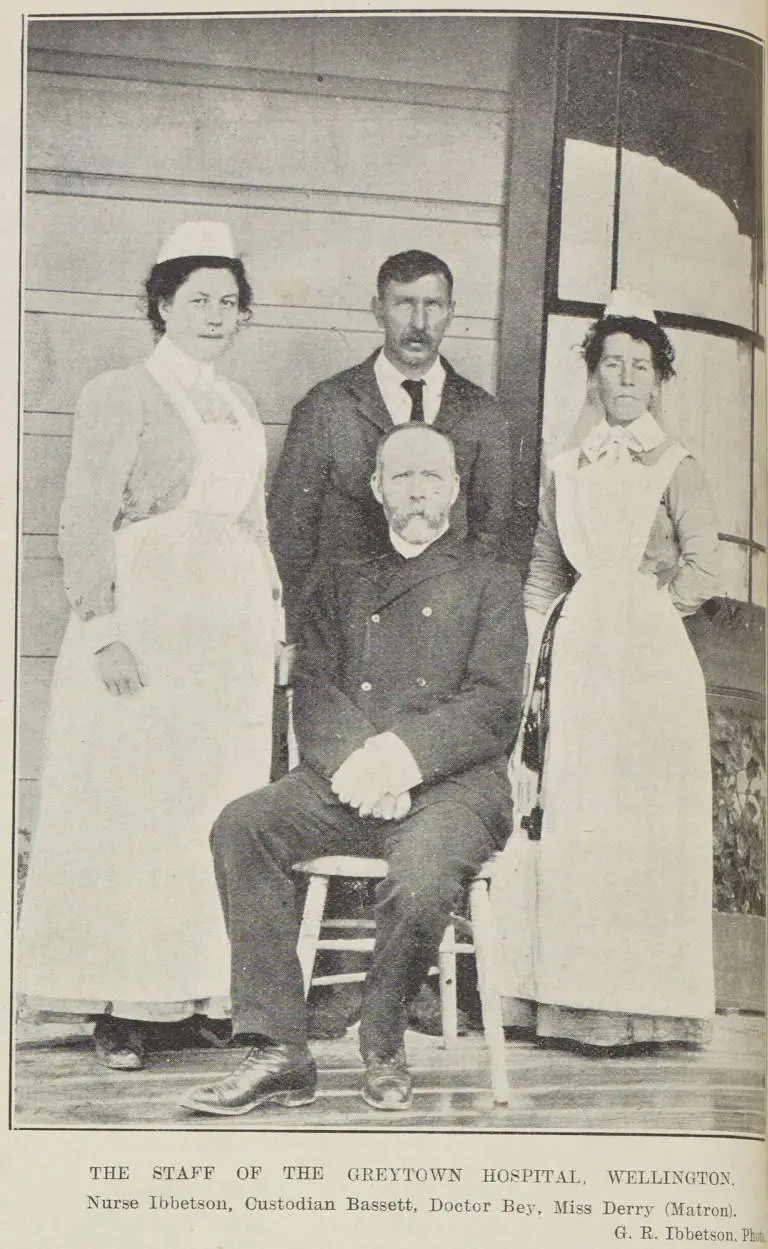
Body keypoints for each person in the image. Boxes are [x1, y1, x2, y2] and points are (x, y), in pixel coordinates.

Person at [181, 423, 526, 1115]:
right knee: (242, 825)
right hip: (350, 779)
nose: (420, 488)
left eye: (434, 475)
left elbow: (493, 704)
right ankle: (279, 1047)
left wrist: (400, 760)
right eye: (402, 476)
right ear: (376, 488)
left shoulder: (490, 578)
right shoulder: (341, 579)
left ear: (456, 488)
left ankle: (383, 1037)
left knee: (425, 875)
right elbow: (312, 683)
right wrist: (360, 764)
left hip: (453, 784)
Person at [17, 222, 283, 1070]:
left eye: (229, 302)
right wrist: (103, 631)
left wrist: (275, 626)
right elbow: (84, 518)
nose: (215, 315)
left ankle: (198, 992)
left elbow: (255, 523)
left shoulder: (237, 405)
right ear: (163, 304)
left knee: (209, 804)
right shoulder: (118, 391)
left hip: (226, 637)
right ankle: (122, 1007)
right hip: (148, 618)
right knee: (132, 805)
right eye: (198, 298)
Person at [493, 290, 721, 1050]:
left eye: (640, 366)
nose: (625, 378)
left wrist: (646, 617)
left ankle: (643, 1007)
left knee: (640, 821)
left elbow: (703, 567)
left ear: (659, 380)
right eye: (611, 364)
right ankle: (563, 999)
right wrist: (536, 654)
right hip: (578, 652)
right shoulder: (568, 466)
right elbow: (544, 569)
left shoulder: (679, 465)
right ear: (592, 375)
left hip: (649, 661)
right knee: (576, 812)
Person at [267, 249, 516, 639]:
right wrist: (299, 635)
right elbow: (290, 536)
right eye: (404, 304)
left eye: (433, 305)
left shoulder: (482, 414)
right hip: (346, 631)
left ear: (451, 312)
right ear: (378, 310)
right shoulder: (328, 407)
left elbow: (493, 536)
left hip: (444, 633)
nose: (419, 323)